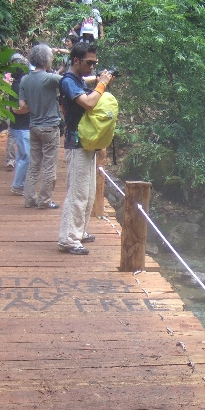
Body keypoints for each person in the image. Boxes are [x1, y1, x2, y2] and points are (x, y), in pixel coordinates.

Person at [57, 42, 115, 254]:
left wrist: (101, 79)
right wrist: (102, 85)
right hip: (76, 142)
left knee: (88, 192)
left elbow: (89, 84)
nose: (92, 66)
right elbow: (89, 103)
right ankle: (68, 238)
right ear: (76, 61)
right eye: (89, 63)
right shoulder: (68, 82)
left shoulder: (78, 80)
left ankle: (79, 232)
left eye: (95, 63)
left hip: (86, 142)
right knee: (78, 192)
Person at [17, 44, 62, 209]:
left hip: (33, 126)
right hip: (50, 127)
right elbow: (72, 82)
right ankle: (44, 200)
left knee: (34, 164)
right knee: (50, 165)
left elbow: (23, 106)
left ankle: (29, 199)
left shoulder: (25, 79)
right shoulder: (50, 78)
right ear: (46, 60)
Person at [7, 55, 31, 197]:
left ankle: (20, 183)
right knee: (26, 156)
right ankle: (18, 185)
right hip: (21, 126)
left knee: (21, 155)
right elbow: (16, 109)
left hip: (21, 126)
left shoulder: (20, 84)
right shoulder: (17, 86)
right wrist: (33, 108)